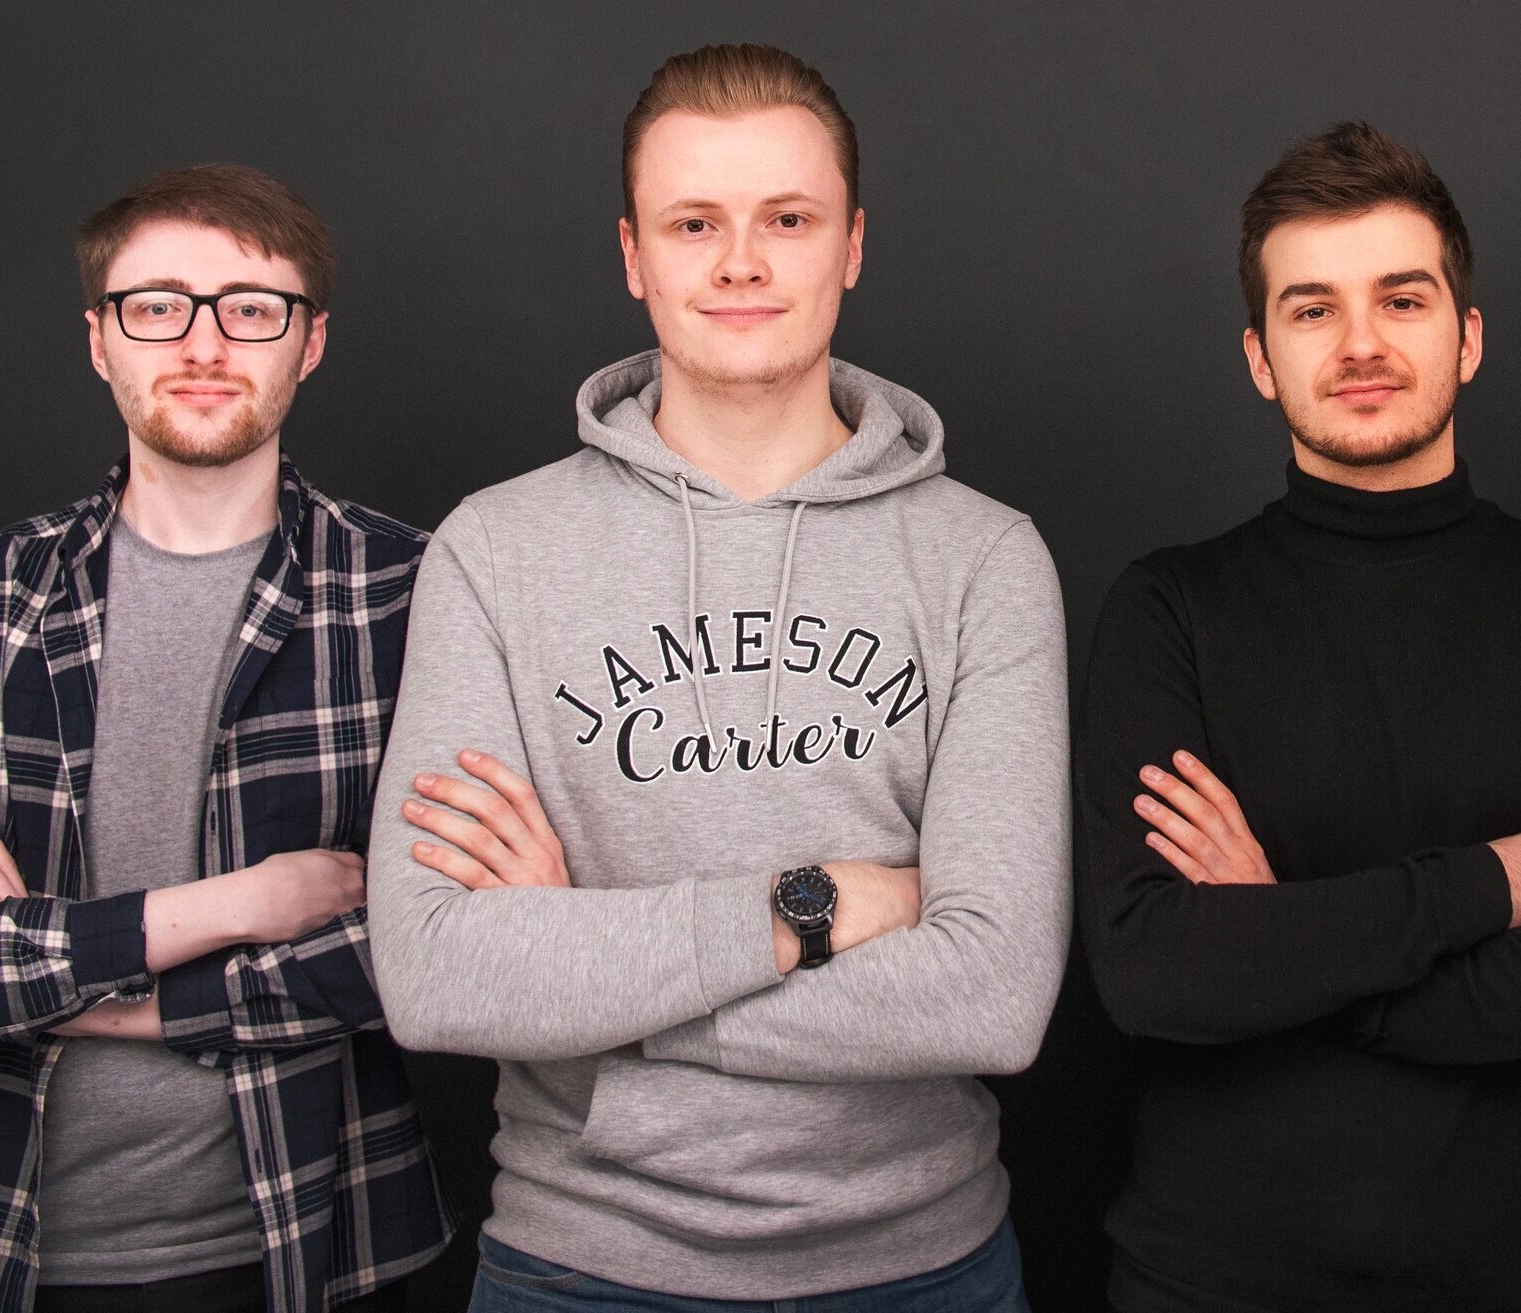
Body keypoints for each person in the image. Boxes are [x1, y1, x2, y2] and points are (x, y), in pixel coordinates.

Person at [360, 43, 1069, 1311]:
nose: (741, 261)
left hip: (921, 1269)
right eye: (696, 223)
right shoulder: (496, 548)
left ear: (850, 244)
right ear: (635, 255)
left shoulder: (985, 557)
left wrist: (587, 973)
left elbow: (996, 995)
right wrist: (816, 906)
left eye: (786, 219)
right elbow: (435, 973)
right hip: (579, 1266)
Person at [1074, 120, 1521, 1312]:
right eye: (1312, 309)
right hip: (1210, 1282)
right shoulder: (1170, 608)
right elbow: (1157, 971)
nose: (1361, 344)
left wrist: (1280, 937)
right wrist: (1475, 891)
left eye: (1403, 301)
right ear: (1260, 356)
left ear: (1467, 338)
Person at [0, 164, 450, 1312]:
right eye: (157, 305)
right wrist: (240, 903)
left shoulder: (411, 589)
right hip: (22, 1251)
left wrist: (54, 968)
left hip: (332, 1239)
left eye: (250, 307)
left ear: (309, 342)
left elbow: (441, 947)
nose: (202, 342)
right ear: (101, 339)